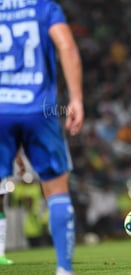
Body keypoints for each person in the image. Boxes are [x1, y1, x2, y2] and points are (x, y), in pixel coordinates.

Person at [0, 1, 84, 274]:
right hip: (40, 108)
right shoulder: (44, 7)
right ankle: (64, 269)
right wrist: (76, 99)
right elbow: (67, 46)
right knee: (56, 189)